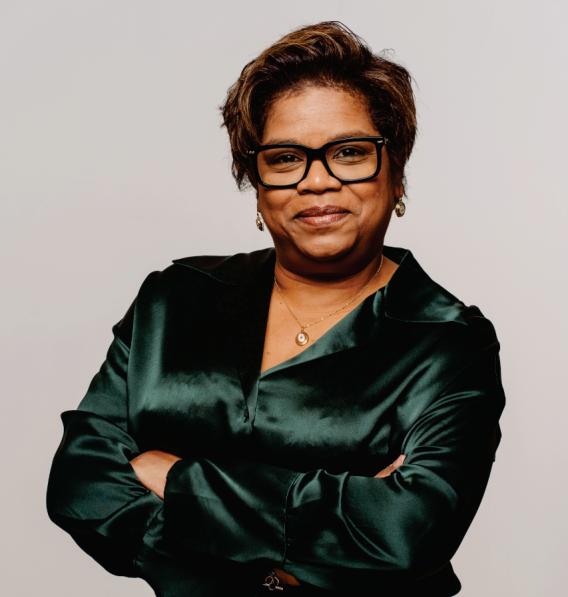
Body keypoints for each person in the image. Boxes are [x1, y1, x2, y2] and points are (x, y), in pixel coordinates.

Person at [46, 20, 506, 597]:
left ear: (396, 173)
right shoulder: (173, 300)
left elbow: (408, 531)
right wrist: (278, 571)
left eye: (349, 152)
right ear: (256, 183)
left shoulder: (449, 341)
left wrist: (179, 479)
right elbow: (80, 482)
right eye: (286, 158)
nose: (316, 181)